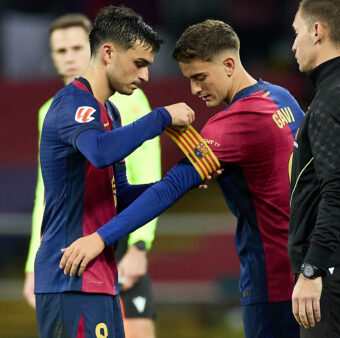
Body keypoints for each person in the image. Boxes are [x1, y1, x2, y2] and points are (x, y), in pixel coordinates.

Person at [60, 19, 305, 338]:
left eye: (200, 77)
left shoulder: (230, 125)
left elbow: (171, 188)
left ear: (229, 64)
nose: (194, 90)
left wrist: (100, 238)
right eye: (189, 79)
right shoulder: (284, 98)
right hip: (308, 274)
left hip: (271, 283)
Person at [34, 6, 194, 337]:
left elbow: (120, 197)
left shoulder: (110, 113)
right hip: (69, 277)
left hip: (101, 277)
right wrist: (161, 118)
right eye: (139, 64)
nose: (146, 76)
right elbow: (100, 151)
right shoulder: (70, 105)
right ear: (108, 53)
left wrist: (186, 178)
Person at [289, 0, 340, 335]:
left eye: (297, 33)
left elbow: (336, 187)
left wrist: (312, 268)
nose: (293, 44)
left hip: (328, 278)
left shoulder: (329, 100)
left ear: (317, 32)